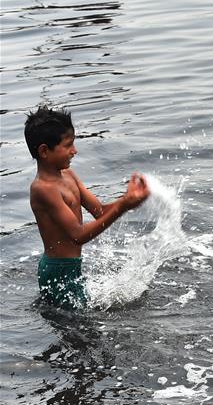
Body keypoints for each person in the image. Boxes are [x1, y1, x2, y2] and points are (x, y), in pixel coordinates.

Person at [25, 106, 150, 309]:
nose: (74, 151)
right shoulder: (43, 189)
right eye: (68, 145)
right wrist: (124, 206)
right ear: (44, 151)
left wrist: (127, 200)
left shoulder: (69, 176)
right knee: (77, 333)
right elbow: (78, 235)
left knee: (81, 328)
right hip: (57, 272)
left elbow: (99, 210)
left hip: (72, 267)